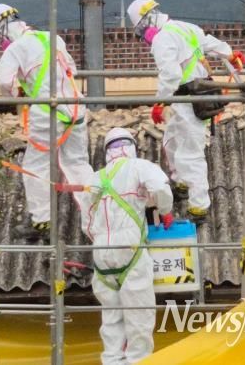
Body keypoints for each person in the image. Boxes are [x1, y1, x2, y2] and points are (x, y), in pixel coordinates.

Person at [126, 0, 245, 223]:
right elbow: (209, 42)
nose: (143, 37)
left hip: (187, 99)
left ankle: (199, 207)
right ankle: (181, 183)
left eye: (141, 30)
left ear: (145, 23)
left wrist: (160, 102)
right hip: (192, 96)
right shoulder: (183, 27)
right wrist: (230, 54)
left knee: (190, 155)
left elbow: (170, 75)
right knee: (171, 141)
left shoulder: (162, 39)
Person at [0, 3, 93, 240]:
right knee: (77, 164)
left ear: (1, 28)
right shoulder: (52, 37)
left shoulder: (15, 49)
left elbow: (5, 82)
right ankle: (97, 211)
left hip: (48, 113)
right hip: (75, 109)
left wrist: (18, 93)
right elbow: (72, 70)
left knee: (35, 166)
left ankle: (42, 221)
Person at [81, 127, 174, 365]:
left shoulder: (95, 178)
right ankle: (138, 361)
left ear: (107, 152)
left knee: (112, 317)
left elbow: (86, 222)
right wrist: (165, 209)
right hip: (130, 247)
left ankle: (112, 360)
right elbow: (160, 187)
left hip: (102, 251)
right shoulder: (139, 166)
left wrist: (101, 239)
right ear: (131, 147)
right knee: (139, 314)